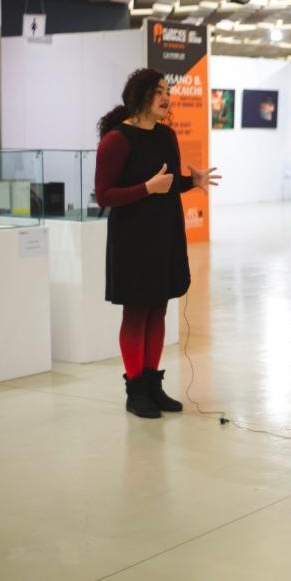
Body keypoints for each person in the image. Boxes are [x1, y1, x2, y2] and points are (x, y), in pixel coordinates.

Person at [95, 69, 219, 419]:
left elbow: (167, 182)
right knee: (136, 312)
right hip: (132, 238)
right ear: (140, 96)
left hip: (164, 233)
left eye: (167, 91)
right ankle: (135, 390)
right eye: (159, 91)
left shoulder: (166, 135)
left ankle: (152, 384)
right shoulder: (117, 140)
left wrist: (191, 181)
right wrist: (145, 189)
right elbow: (104, 195)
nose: (167, 98)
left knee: (159, 308)